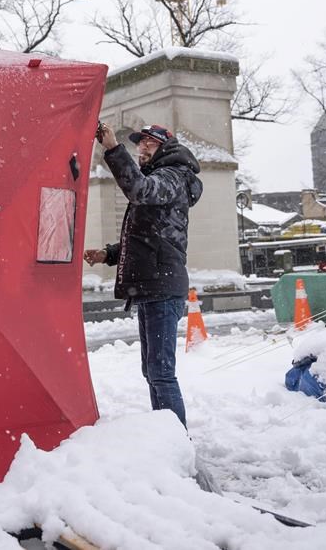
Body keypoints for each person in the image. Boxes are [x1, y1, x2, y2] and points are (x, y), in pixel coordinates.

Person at [84, 122, 202, 427]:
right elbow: (149, 238)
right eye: (140, 143)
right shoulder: (162, 179)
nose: (142, 147)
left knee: (161, 373)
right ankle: (166, 433)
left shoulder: (172, 177)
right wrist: (109, 254)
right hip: (153, 289)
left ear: (166, 146)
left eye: (149, 142)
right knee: (152, 371)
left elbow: (139, 189)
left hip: (162, 288)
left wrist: (113, 149)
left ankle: (177, 439)